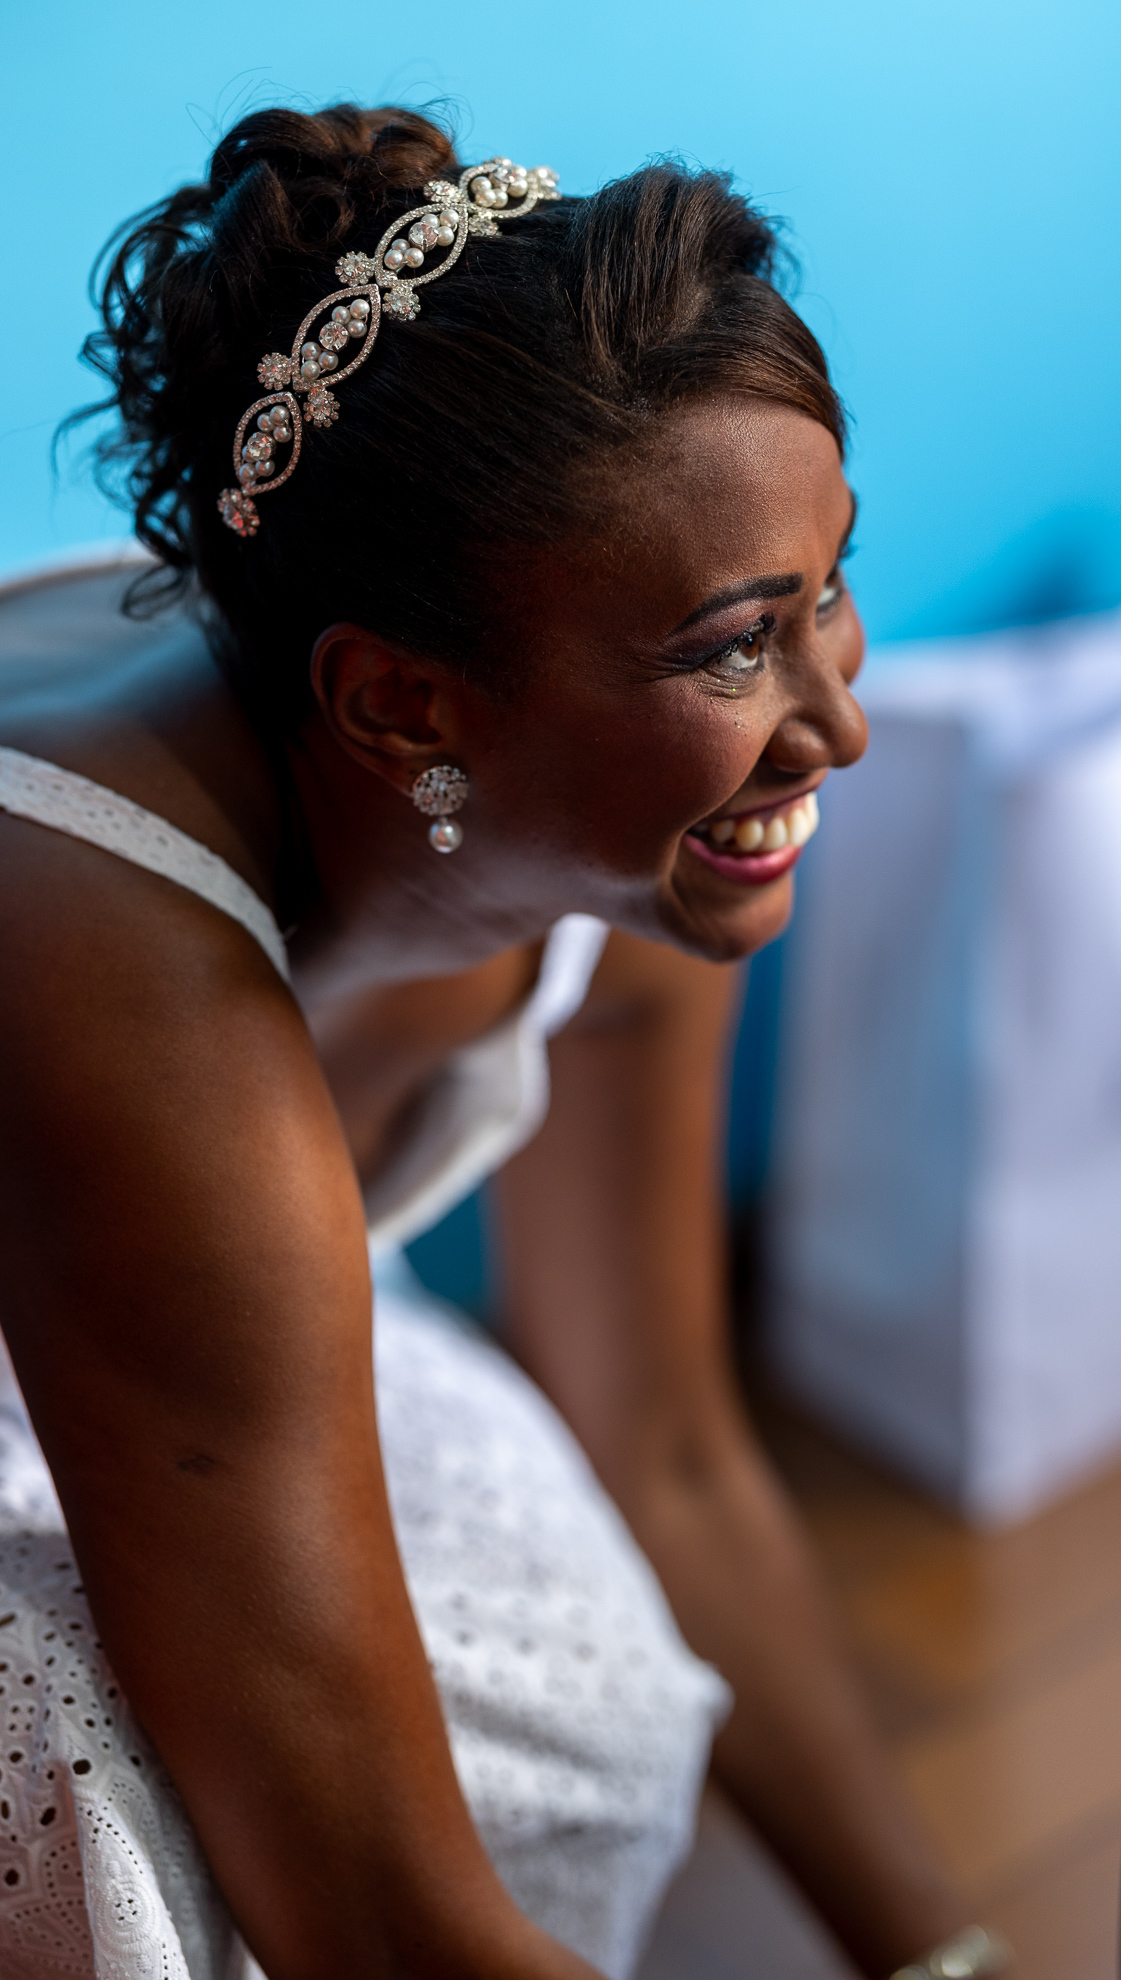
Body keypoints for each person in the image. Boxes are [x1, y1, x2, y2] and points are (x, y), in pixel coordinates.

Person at [0, 102, 995, 1980]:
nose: (836, 723)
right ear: (399, 706)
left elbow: (664, 1446)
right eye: (732, 646)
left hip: (205, 1308)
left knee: (598, 1722)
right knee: (114, 1845)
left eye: (827, 593)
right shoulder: (110, 963)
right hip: (107, 1259)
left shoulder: (630, 860)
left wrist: (946, 1958)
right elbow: (373, 1915)